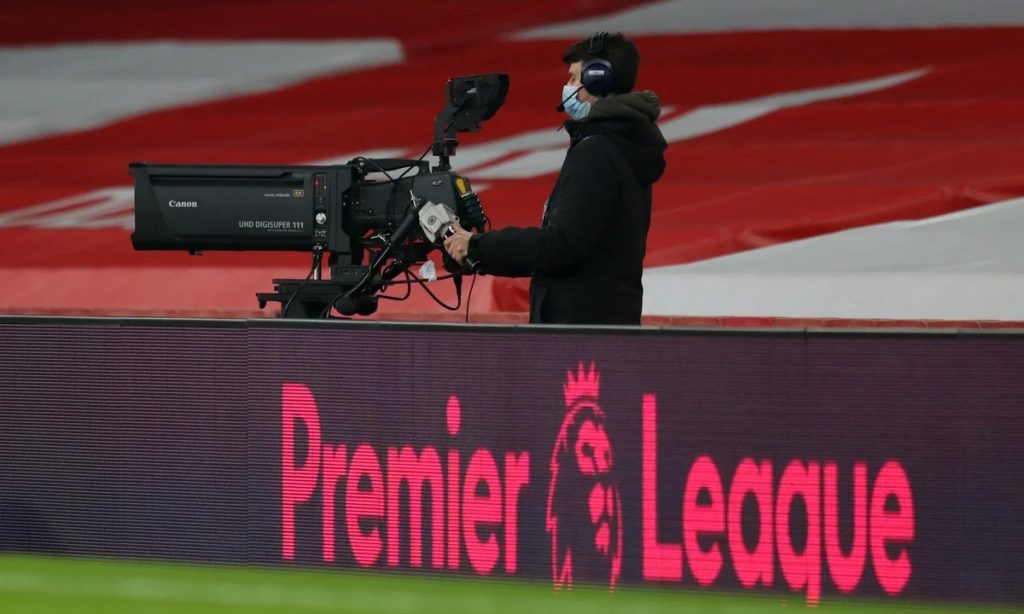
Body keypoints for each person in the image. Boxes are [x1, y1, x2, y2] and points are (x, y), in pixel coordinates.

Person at [444, 31, 667, 325]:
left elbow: (561, 245)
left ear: (598, 80)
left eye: (574, 78)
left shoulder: (597, 151)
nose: (567, 87)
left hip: (579, 334)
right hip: (602, 324)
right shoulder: (621, 144)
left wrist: (477, 246)